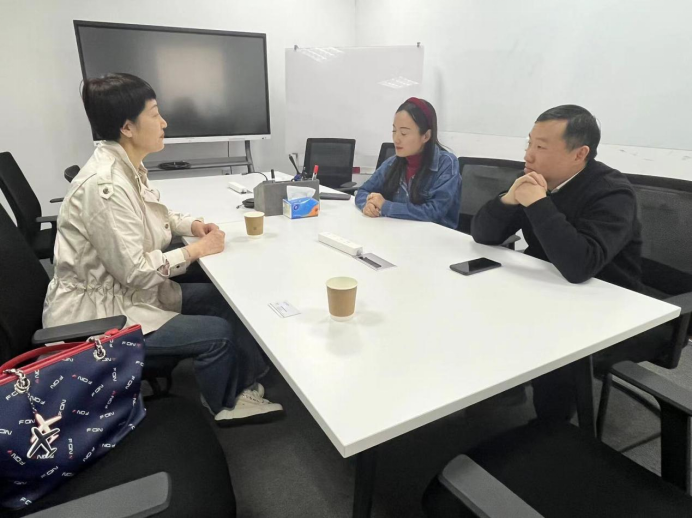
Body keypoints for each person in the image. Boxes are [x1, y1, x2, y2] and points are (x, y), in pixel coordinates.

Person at [43, 73, 282, 425]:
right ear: (127, 127)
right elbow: (135, 272)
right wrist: (196, 250)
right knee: (218, 332)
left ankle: (237, 382)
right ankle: (225, 403)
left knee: (222, 300)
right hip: (99, 316)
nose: (164, 123)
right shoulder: (106, 186)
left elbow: (155, 213)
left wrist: (192, 226)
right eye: (155, 114)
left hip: (125, 294)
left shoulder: (126, 167)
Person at [472, 105, 645, 421]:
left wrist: (538, 203)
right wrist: (509, 199)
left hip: (606, 301)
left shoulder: (613, 193)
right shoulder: (536, 180)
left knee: (554, 345)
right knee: (476, 301)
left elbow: (580, 265)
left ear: (580, 154)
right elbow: (484, 235)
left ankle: (552, 430)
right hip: (548, 287)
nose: (528, 155)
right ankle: (495, 387)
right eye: (529, 143)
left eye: (541, 147)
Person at [355, 98, 461, 229]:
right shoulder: (392, 163)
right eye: (394, 131)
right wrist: (368, 205)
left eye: (404, 133)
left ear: (426, 136)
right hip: (398, 232)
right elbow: (363, 191)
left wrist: (385, 206)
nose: (396, 139)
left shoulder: (447, 164)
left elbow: (434, 212)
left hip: (433, 237)